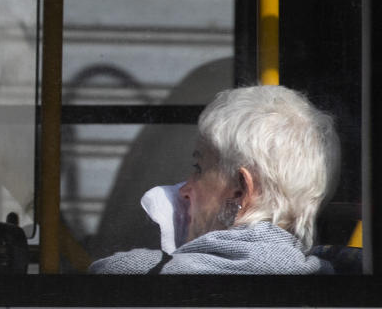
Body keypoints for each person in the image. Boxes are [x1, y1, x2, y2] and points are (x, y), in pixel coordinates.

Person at [89, 85, 340, 274]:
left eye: (198, 168)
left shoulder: (136, 276)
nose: (184, 190)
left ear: (241, 190)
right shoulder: (337, 276)